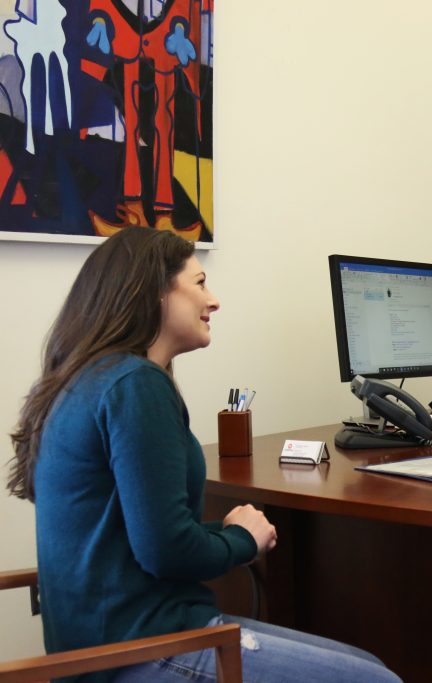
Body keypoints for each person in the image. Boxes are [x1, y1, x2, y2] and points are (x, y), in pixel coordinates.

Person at [7, 228, 401, 683]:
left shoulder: (91, 378)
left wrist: (227, 530)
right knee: (380, 680)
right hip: (137, 648)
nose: (213, 300)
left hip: (108, 644)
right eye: (198, 283)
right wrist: (242, 541)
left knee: (370, 667)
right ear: (151, 291)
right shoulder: (134, 384)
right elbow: (167, 552)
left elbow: (139, 535)